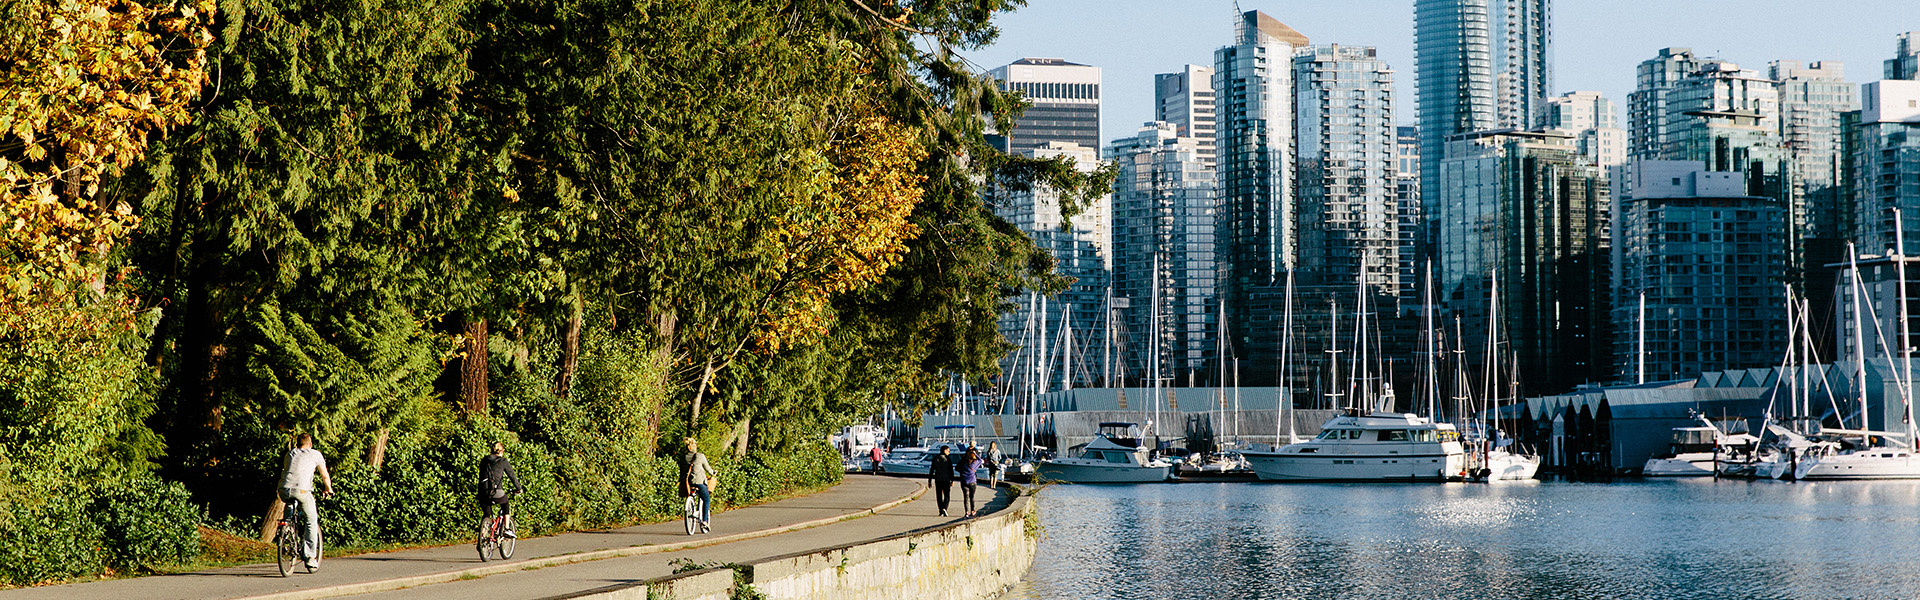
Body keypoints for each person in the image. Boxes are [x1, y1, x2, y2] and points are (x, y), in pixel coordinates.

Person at [277, 433, 334, 571]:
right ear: (310, 444)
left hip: (283, 489)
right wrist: (329, 489)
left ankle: (286, 530)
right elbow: (325, 475)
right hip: (302, 491)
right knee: (311, 520)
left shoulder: (290, 453)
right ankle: (310, 557)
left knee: (290, 505)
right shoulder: (315, 454)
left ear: (297, 444)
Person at [478, 441, 523, 540]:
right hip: (496, 492)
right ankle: (507, 528)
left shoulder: (484, 460)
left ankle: (482, 536)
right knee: (505, 502)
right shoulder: (503, 461)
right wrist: (519, 489)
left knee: (487, 514)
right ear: (501, 451)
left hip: (482, 492)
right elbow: (512, 476)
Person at [682, 437, 717, 531]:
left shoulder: (684, 457)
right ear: (695, 446)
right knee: (706, 499)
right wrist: (713, 473)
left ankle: (691, 507)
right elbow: (708, 468)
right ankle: (705, 521)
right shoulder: (700, 456)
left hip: (688, 483)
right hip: (699, 482)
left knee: (692, 495)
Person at [928, 445, 954, 517]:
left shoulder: (935, 458)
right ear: (945, 450)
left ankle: (941, 510)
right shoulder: (948, 459)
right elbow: (951, 470)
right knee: (947, 495)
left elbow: (932, 470)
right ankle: (945, 508)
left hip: (938, 479)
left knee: (939, 495)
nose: (949, 452)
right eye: (948, 451)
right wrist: (952, 479)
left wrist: (929, 481)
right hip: (946, 479)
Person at [960, 447, 983, 517]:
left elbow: (957, 468)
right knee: (972, 497)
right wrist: (975, 453)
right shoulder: (975, 463)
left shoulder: (963, 462)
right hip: (972, 481)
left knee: (965, 497)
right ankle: (972, 511)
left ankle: (966, 512)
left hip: (964, 481)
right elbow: (980, 460)